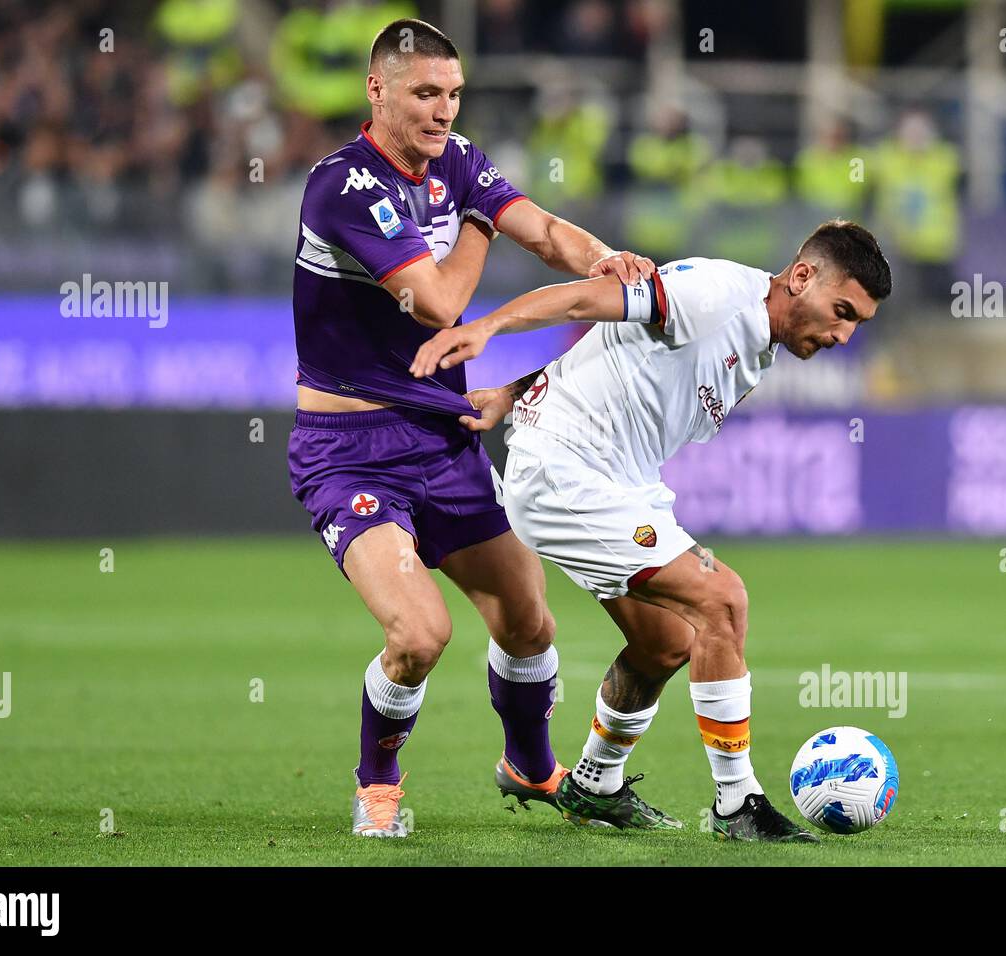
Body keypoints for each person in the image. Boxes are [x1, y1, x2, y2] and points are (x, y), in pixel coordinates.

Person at [288, 18, 655, 838]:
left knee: (529, 621)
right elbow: (439, 303)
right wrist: (485, 220)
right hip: (351, 455)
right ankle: (376, 785)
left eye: (453, 94)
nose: (444, 110)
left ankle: (531, 766)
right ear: (376, 90)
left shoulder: (456, 161)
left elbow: (552, 233)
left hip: (444, 441)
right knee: (420, 634)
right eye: (425, 92)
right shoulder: (342, 186)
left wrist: (609, 262)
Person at [409, 219, 892, 841]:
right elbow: (588, 299)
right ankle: (736, 803)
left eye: (858, 324)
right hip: (567, 470)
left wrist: (512, 390)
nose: (844, 334)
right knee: (722, 598)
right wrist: (487, 328)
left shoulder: (759, 344)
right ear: (801, 277)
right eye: (842, 311)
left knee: (666, 642)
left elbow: (611, 354)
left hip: (616, 481)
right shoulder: (716, 294)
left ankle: (593, 783)